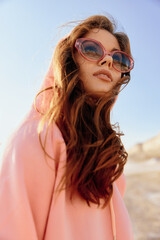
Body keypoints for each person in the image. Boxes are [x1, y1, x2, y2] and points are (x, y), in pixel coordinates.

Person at [0, 15, 134, 240]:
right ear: (69, 60)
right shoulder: (38, 138)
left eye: (119, 59)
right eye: (92, 49)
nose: (107, 61)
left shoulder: (109, 157)